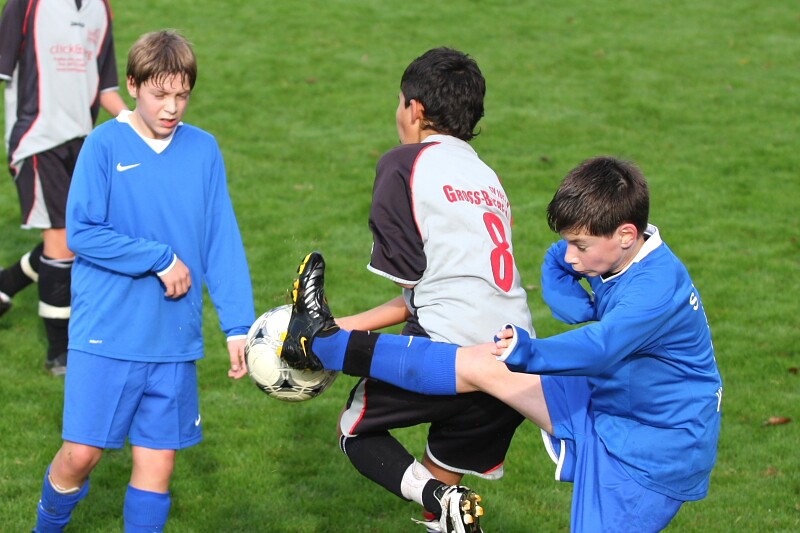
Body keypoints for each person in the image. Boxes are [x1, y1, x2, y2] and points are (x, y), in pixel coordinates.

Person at [282, 156, 723, 533]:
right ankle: (325, 342)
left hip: (650, 455)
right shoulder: (619, 251)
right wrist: (571, 298)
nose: (571, 255)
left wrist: (528, 352)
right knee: (482, 363)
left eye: (580, 245)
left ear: (626, 234)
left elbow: (601, 347)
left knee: (504, 360)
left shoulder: (653, 290)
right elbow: (557, 262)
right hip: (610, 402)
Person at [285, 47, 533, 533]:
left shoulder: (404, 164)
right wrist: (351, 321)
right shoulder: (488, 177)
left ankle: (315, 338)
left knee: (354, 429)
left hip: (448, 350)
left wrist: (337, 332)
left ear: (415, 109)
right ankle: (443, 500)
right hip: (515, 357)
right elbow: (440, 287)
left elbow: (413, 282)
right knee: (447, 510)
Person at [32, 30, 255, 532]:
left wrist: (238, 325)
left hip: (173, 338)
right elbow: (82, 232)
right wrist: (158, 258)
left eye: (182, 95)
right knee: (81, 455)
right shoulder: (103, 144)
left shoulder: (204, 150)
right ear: (132, 85)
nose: (172, 107)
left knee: (158, 465)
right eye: (160, 94)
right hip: (106, 334)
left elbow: (221, 239)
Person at [0, 0, 128, 375]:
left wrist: (140, 126)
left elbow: (105, 87)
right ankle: (61, 353)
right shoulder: (25, 5)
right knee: (63, 240)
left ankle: (7, 282)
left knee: (82, 235)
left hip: (82, 145)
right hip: (36, 140)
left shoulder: (100, 9)